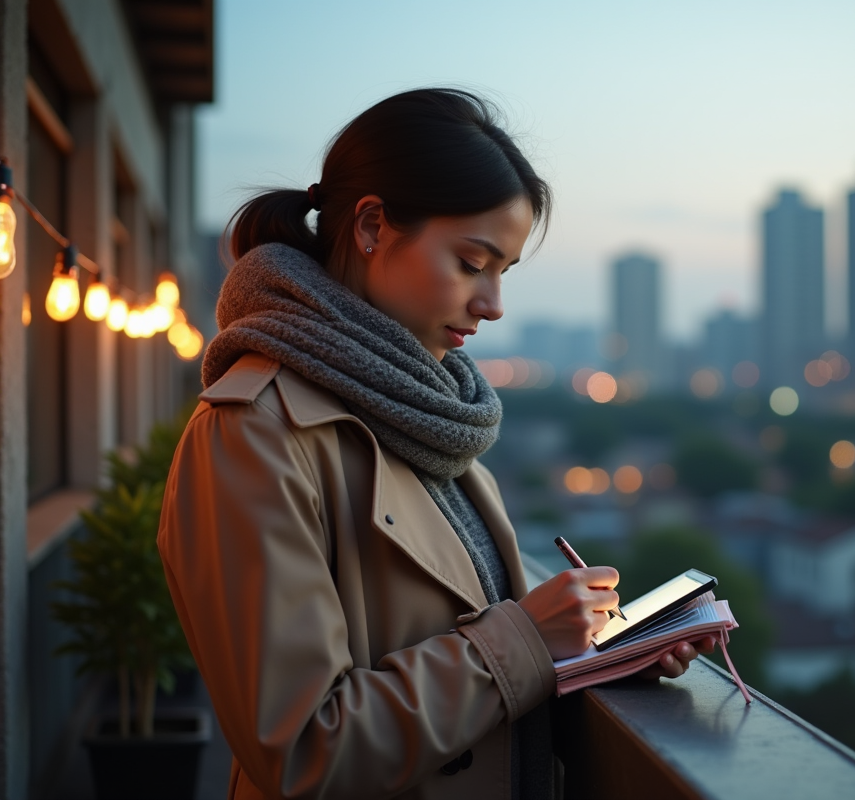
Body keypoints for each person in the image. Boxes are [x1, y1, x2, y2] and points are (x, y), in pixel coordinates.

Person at [157, 88, 713, 800]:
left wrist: (596, 654)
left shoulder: (424, 410)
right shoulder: (253, 434)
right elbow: (301, 750)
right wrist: (527, 641)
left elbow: (468, 647)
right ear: (371, 227)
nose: (493, 304)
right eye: (471, 262)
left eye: (503, 272)